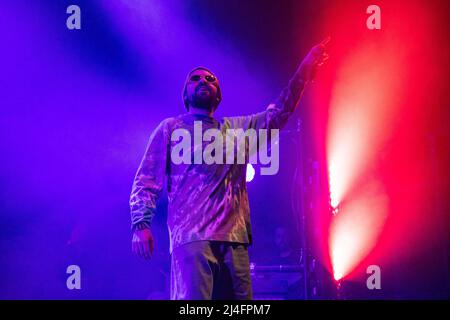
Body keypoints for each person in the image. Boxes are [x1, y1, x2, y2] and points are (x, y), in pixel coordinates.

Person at [129, 39, 330, 300]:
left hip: (234, 239)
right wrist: (140, 223)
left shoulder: (237, 130)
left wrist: (304, 71)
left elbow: (278, 113)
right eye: (196, 79)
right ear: (185, 94)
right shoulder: (170, 128)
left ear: (219, 95)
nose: (203, 81)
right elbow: (146, 179)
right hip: (191, 237)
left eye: (210, 79)